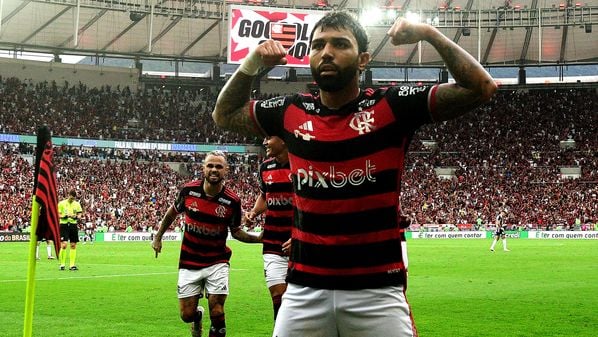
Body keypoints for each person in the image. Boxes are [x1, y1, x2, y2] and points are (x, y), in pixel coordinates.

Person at [212, 10, 497, 337]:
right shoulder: (289, 111)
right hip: (304, 290)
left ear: (363, 59)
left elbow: (481, 87)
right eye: (317, 45)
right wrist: (250, 65)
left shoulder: (392, 105)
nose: (327, 52)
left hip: (376, 292)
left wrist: (428, 33)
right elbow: (224, 114)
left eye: (339, 44)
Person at [151, 150, 262, 337]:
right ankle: (197, 317)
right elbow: (171, 213)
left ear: (226, 170)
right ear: (203, 168)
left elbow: (235, 232)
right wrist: (158, 236)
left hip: (217, 261)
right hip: (189, 261)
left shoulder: (232, 201)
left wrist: (258, 239)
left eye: (219, 166)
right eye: (210, 165)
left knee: (217, 311)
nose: (214, 169)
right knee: (186, 315)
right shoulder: (188, 191)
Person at [244, 136, 293, 320]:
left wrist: (299, 237)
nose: (264, 142)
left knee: (300, 298)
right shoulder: (265, 167)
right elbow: (265, 195)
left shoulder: (303, 164)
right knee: (278, 297)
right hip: (273, 241)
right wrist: (254, 212)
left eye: (269, 137)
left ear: (283, 139)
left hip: (303, 242)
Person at [58, 189, 83, 271]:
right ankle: (62, 264)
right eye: (71, 198)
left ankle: (72, 265)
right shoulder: (61, 203)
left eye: (73, 198)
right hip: (64, 225)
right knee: (64, 245)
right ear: (68, 195)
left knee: (73, 245)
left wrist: (75, 216)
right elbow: (58, 213)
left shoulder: (77, 204)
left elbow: (79, 214)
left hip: (73, 225)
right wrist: (63, 216)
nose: (72, 200)